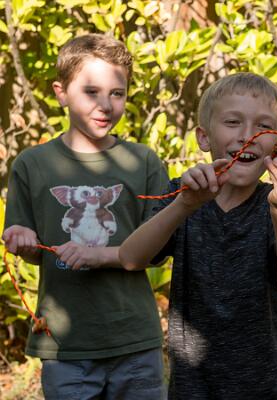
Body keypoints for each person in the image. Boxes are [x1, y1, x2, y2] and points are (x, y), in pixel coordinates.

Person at [119, 72, 277, 400]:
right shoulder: (182, 195)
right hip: (194, 388)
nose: (247, 136)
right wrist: (184, 204)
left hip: (269, 387)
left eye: (264, 126)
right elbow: (130, 258)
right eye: (233, 122)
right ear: (204, 138)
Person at [2, 33, 168, 399]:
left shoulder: (143, 162)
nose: (105, 105)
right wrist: (21, 240)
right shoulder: (32, 165)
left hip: (134, 341)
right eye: (91, 92)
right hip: (66, 345)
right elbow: (31, 246)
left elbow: (157, 251)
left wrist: (99, 255)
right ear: (61, 93)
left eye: (117, 93)